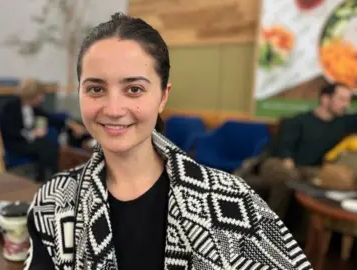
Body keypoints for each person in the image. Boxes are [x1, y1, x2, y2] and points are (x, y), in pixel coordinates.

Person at [25, 13, 311, 270]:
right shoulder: (53, 199)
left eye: (134, 89)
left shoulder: (229, 199)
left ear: (162, 96)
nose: (113, 109)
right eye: (96, 88)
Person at [260, 83, 357, 218]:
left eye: (348, 100)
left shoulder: (343, 122)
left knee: (327, 182)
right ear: (325, 99)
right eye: (342, 99)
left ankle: (307, 235)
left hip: (313, 169)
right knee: (289, 178)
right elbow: (285, 149)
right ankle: (270, 227)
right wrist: (289, 164)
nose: (346, 104)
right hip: (279, 163)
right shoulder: (298, 121)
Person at [0, 79, 86, 180]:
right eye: (41, 95)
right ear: (32, 95)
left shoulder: (33, 107)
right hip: (16, 142)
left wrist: (70, 123)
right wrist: (32, 134)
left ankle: (52, 177)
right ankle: (45, 178)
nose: (42, 98)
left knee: (50, 146)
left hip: (29, 140)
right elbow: (9, 131)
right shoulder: (10, 107)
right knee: (44, 148)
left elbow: (50, 117)